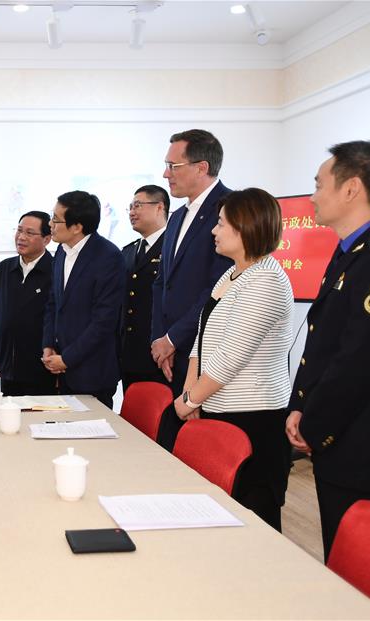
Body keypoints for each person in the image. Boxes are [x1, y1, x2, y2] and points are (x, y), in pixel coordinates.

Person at [285, 140, 370, 560]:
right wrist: (301, 406)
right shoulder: (351, 251)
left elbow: (360, 361)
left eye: (319, 184)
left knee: (366, 567)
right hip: (342, 435)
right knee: (342, 556)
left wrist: (316, 426)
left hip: (365, 445)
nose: (314, 195)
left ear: (351, 188)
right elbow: (324, 343)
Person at [173, 188, 294, 531]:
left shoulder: (267, 279)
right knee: (220, 514)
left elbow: (231, 356)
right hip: (218, 410)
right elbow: (203, 339)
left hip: (255, 418)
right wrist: (188, 395)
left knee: (255, 519)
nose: (214, 230)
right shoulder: (231, 274)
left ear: (245, 228)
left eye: (221, 223)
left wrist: (189, 400)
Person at [152, 129, 233, 449]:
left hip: (205, 352)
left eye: (173, 166)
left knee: (203, 451)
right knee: (170, 446)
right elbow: (161, 283)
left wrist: (174, 338)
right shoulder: (176, 217)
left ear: (201, 167)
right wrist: (160, 339)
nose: (165, 174)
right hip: (168, 353)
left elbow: (218, 288)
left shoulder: (229, 209)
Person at [42, 190, 125, 408]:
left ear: (77, 226)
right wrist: (48, 344)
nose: (50, 224)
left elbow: (104, 321)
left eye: (56, 219)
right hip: (63, 368)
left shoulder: (108, 257)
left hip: (93, 371)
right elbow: (53, 303)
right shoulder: (61, 252)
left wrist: (67, 359)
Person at [0, 211, 57, 396]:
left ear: (47, 239)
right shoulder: (3, 269)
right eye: (19, 230)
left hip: (42, 368)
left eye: (30, 233)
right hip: (7, 365)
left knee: (40, 421)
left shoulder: (56, 271)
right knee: (10, 419)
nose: (21, 237)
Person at [120, 185, 169, 391]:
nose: (132, 212)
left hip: (160, 355)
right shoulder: (128, 251)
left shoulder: (171, 248)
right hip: (129, 355)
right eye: (130, 207)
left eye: (138, 205)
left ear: (159, 207)